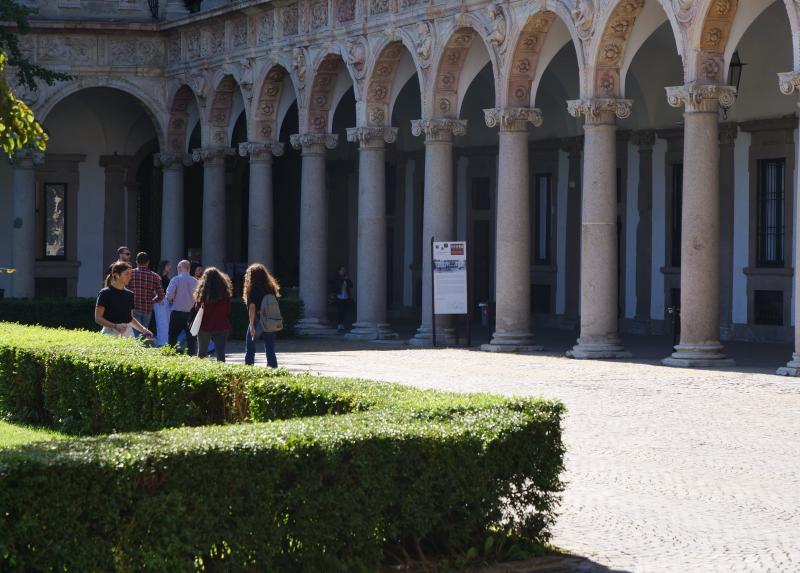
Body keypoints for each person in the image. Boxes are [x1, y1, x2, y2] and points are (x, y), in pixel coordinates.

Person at [94, 261, 153, 338]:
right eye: (126, 274)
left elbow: (129, 318)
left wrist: (143, 329)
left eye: (130, 274)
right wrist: (115, 326)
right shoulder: (104, 293)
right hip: (109, 334)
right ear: (117, 275)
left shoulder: (130, 294)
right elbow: (98, 318)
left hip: (127, 334)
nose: (129, 277)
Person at [243, 263, 280, 368]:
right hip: (270, 320)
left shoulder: (252, 288)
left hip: (257, 320)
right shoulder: (271, 287)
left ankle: (248, 368)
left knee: (250, 347)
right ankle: (273, 369)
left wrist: (251, 325)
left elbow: (252, 308)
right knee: (270, 348)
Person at [193, 267, 232, 362]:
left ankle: (201, 375)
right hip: (221, 325)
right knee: (221, 355)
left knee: (202, 354)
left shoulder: (203, 294)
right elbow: (227, 310)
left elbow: (197, 308)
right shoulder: (225, 293)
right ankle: (220, 375)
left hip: (204, 326)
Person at [128, 252, 164, 338]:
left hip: (134, 307)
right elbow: (161, 295)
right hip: (147, 309)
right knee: (144, 333)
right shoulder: (155, 276)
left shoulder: (130, 274)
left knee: (135, 334)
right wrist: (152, 301)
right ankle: (143, 349)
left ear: (136, 262)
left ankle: (135, 350)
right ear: (148, 262)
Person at [165, 259, 198, 355]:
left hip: (177, 312)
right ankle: (191, 355)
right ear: (189, 269)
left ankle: (172, 356)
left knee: (172, 336)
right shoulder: (195, 281)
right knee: (191, 337)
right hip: (191, 313)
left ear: (179, 268)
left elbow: (169, 295)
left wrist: (171, 300)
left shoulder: (175, 279)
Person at [153, 260, 172, 347]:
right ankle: (161, 342)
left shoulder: (167, 279)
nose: (170, 267)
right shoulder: (158, 277)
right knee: (161, 322)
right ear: (164, 266)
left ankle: (164, 342)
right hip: (158, 302)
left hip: (165, 302)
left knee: (165, 323)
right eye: (168, 266)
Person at [331, 265, 353, 332]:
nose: (343, 271)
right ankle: (339, 324)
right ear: (339, 271)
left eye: (344, 270)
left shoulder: (346, 278)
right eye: (342, 270)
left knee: (344, 311)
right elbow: (335, 286)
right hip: (339, 296)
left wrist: (347, 279)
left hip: (345, 296)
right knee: (339, 311)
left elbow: (351, 285)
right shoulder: (336, 278)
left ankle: (342, 324)